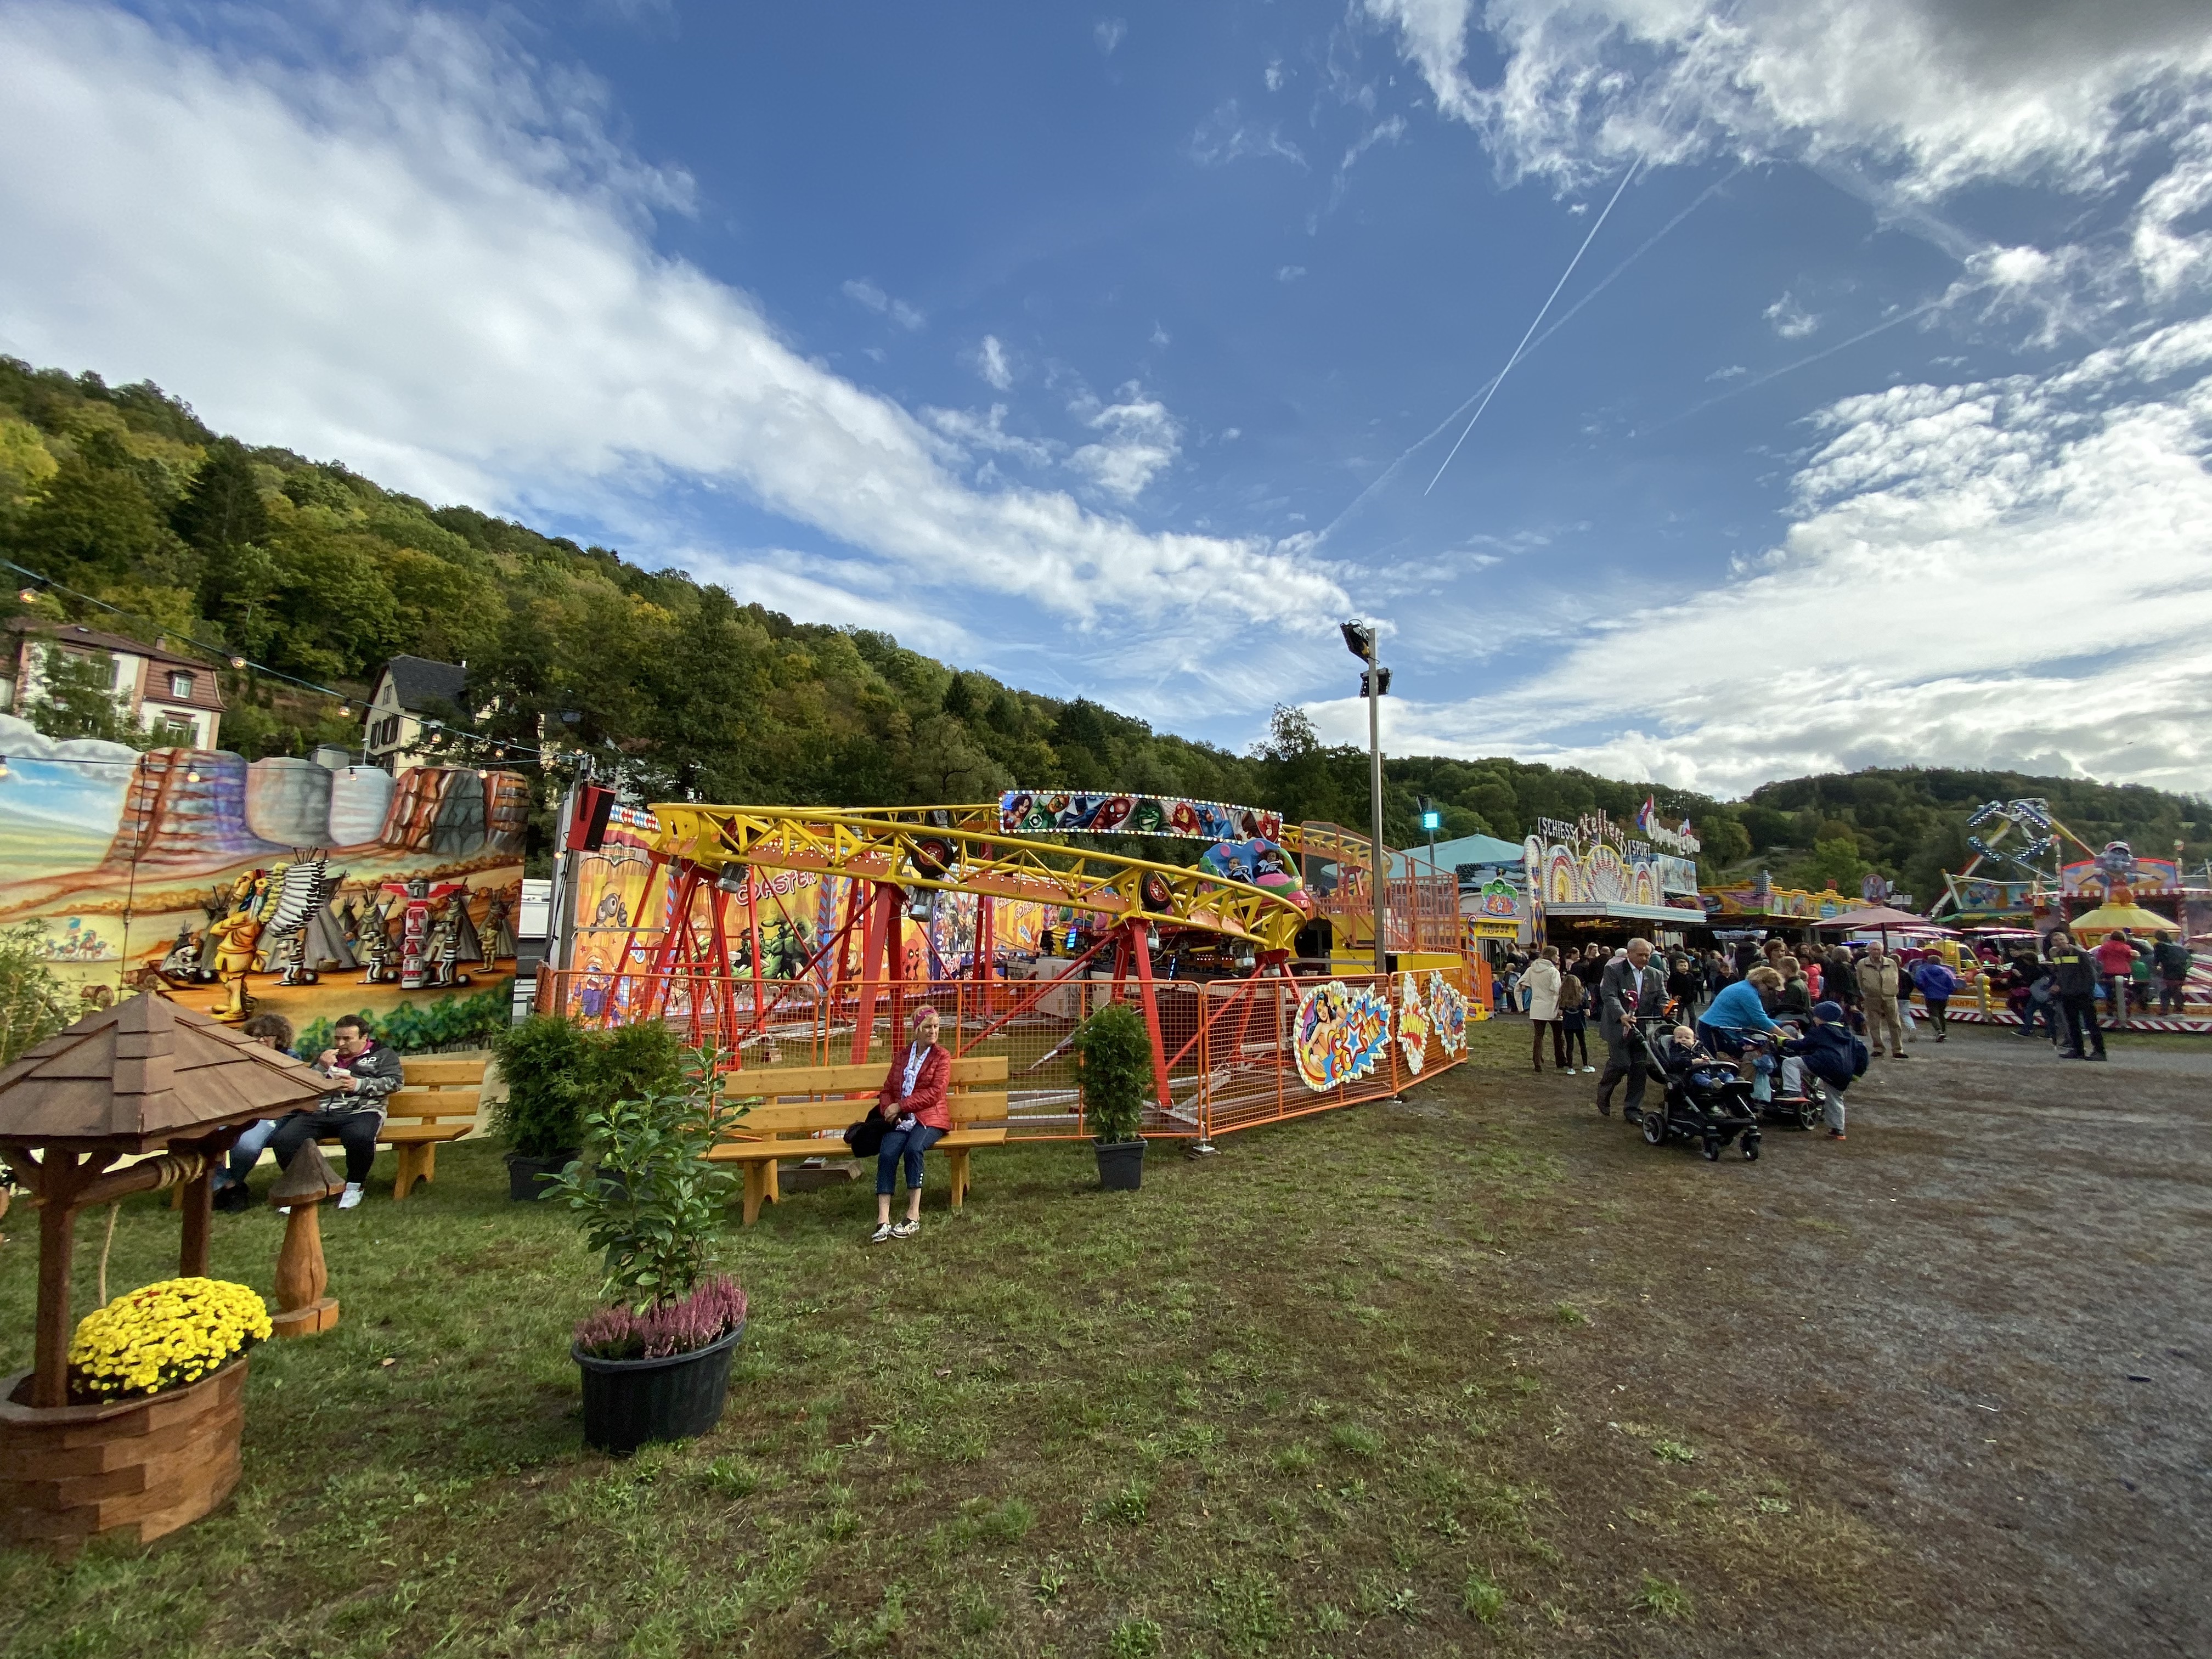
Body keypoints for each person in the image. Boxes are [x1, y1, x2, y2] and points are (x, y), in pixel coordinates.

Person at [268, 1014, 405, 1209]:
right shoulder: (328, 1056)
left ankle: (354, 1186)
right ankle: (303, 1187)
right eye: (338, 1038)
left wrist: (359, 1084)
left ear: (364, 1037)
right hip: (319, 1112)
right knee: (285, 1140)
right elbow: (305, 1085)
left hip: (361, 1111)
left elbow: (395, 1082)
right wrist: (321, 1066)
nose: (341, 1044)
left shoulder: (383, 1055)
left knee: (359, 1137)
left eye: (347, 1039)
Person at [870, 1006, 951, 1243]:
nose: (933, 1031)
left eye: (936, 1027)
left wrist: (902, 1106)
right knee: (887, 1153)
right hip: (902, 1119)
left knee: (914, 1149)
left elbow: (936, 1092)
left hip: (930, 1117)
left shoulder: (942, 1057)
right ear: (917, 1029)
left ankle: (913, 1214)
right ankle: (883, 1219)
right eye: (928, 1027)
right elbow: (887, 1089)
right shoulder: (903, 1056)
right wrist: (889, 1110)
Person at [212, 1013, 296, 1213]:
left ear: (279, 1038)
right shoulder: (238, 1057)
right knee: (205, 1137)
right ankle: (229, 1186)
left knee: (246, 1146)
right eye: (256, 1035)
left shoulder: (290, 1058)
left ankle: (232, 1185)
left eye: (267, 1036)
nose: (261, 1040)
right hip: (235, 1110)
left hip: (269, 1115)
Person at [1596, 938, 1668, 1122]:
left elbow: (1662, 997)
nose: (1644, 959)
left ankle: (1633, 1109)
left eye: (1647, 955)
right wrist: (1621, 1014)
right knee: (1621, 1064)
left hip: (1641, 1027)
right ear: (1629, 954)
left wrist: (1667, 1008)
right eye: (1640, 955)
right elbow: (1609, 995)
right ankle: (1604, 1091)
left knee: (1639, 1068)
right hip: (1618, 1026)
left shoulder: (1655, 974)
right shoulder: (1613, 971)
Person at [1780, 1002, 1868, 1139]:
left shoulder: (1820, 1031)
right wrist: (1856, 1074)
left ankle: (1793, 1091)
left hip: (1822, 1063)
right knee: (1835, 1099)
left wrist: (1784, 1042)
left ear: (1821, 1018)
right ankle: (1838, 1130)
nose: (1814, 1019)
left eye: (1815, 1016)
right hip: (1844, 1071)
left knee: (1791, 1063)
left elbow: (1803, 1045)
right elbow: (1863, 1055)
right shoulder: (1850, 1036)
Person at [2046, 928, 2107, 1060]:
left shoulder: (2080, 953)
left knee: (2091, 1023)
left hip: (2083, 993)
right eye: (2056, 940)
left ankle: (2099, 1051)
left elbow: (2091, 974)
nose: (2059, 942)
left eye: (2061, 939)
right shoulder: (2059, 956)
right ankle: (2077, 1050)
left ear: (2067, 940)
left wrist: (2087, 990)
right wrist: (2058, 985)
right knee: (2072, 1023)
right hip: (2067, 993)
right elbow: (2061, 973)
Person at [1857, 944, 1909, 1060]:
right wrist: (1866, 992)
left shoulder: (1891, 963)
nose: (1876, 952)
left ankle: (1898, 1049)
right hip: (1872, 997)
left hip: (1890, 997)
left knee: (1895, 1024)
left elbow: (1896, 977)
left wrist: (1893, 990)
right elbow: (1859, 980)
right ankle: (1878, 1048)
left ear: (1882, 951)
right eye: (1874, 949)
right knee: (1874, 1024)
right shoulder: (1862, 964)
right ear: (1869, 951)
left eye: (1878, 949)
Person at [1523, 946, 1565, 1073]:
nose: (1558, 957)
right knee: (1558, 1036)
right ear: (1552, 956)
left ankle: (1537, 1062)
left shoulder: (1532, 969)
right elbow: (1557, 990)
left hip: (1537, 1007)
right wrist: (1561, 1006)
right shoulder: (1553, 972)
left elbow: (1521, 984)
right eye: (1557, 955)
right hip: (1552, 1006)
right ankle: (1560, 1060)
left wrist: (1520, 1005)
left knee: (1538, 1036)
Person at [2093, 929, 2138, 1023]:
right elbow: (2129, 958)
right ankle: (2126, 1010)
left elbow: (2100, 957)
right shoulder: (2126, 947)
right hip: (2124, 971)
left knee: (2110, 990)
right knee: (2126, 991)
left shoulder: (2105, 946)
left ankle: (2110, 1009)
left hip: (2109, 971)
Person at [1912, 955, 1958, 1042]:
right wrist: (1948, 992)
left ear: (1929, 962)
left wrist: (1924, 989)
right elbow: (1952, 984)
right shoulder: (1946, 971)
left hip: (1930, 995)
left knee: (1933, 1014)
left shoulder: (1924, 970)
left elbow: (1918, 981)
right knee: (1941, 1014)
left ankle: (1939, 1031)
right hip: (1944, 996)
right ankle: (1944, 1032)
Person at [1556, 970, 1593, 1073]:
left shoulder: (1563, 999)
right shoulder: (1582, 998)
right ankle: (1585, 1065)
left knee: (1570, 1046)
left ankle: (1570, 1068)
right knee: (1582, 1044)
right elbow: (1588, 1013)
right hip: (1579, 1024)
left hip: (1568, 1024)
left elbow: (1560, 1012)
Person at [2153, 932, 2191, 1015]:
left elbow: (2156, 960)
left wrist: (2156, 968)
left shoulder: (2160, 946)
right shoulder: (2178, 946)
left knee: (2166, 992)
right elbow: (2187, 958)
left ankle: (2164, 1010)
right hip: (2181, 973)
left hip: (2169, 972)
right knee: (2176, 990)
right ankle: (2179, 1008)